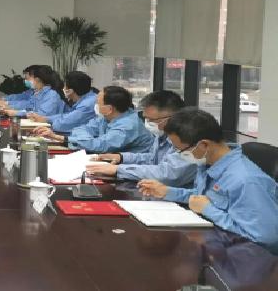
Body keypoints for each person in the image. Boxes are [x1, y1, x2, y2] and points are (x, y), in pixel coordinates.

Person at [138, 108, 278, 252]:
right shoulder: (208, 163)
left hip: (245, 257)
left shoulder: (245, 180)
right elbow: (203, 198)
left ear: (204, 145)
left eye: (180, 150)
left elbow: (265, 238)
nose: (178, 154)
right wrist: (167, 192)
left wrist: (209, 210)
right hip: (218, 243)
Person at [86, 90, 196, 186]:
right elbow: (153, 159)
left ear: (173, 117)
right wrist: (121, 157)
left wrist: (118, 170)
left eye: (152, 120)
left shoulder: (188, 138)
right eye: (146, 119)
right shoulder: (163, 134)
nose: (148, 123)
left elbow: (168, 174)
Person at [35, 86, 153, 153]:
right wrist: (88, 141)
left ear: (109, 109)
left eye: (98, 103)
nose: (96, 106)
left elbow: (101, 145)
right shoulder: (107, 117)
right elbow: (82, 129)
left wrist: (62, 138)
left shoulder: (128, 125)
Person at [29, 71, 97, 132]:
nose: (63, 89)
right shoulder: (87, 99)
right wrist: (46, 119)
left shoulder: (87, 105)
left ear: (70, 91)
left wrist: (48, 122)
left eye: (65, 86)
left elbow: (62, 125)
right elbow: (68, 115)